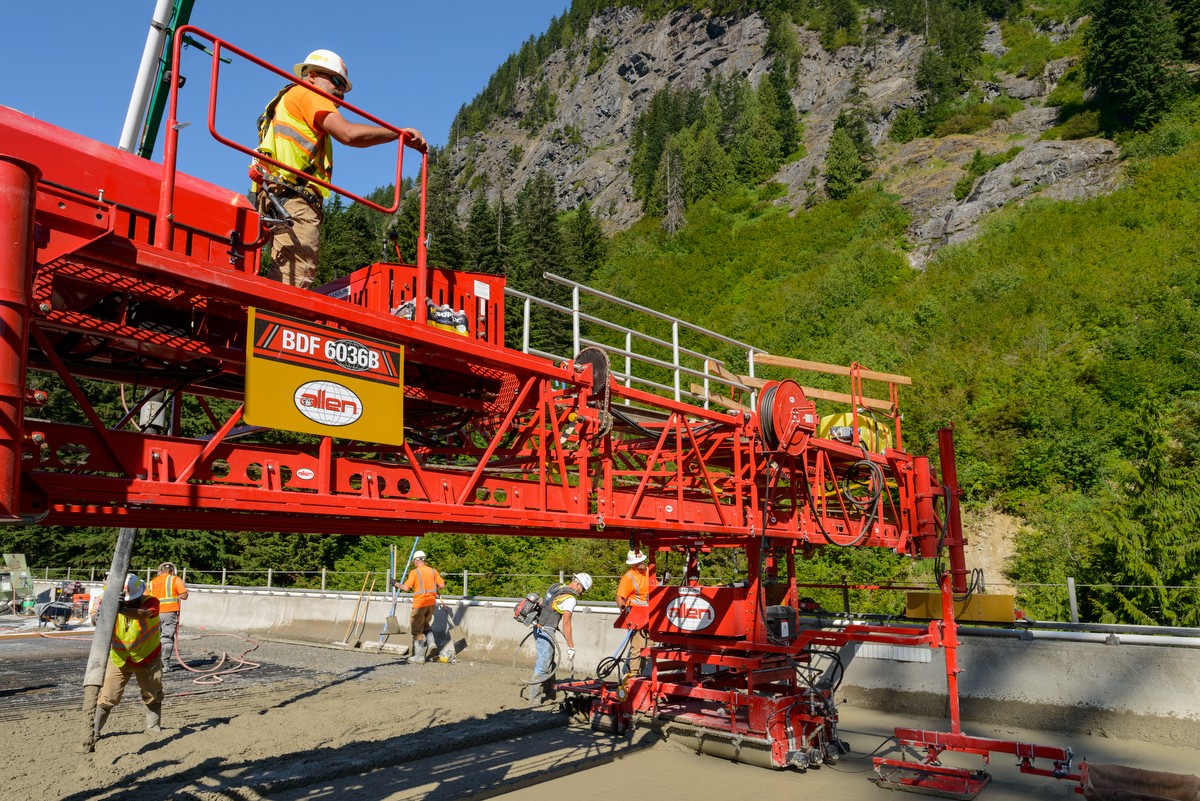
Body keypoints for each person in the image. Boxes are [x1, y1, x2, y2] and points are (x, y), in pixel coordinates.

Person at [252, 49, 427, 289]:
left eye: (344, 86)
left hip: (276, 194)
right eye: (335, 81)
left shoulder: (287, 100)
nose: (340, 92)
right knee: (295, 278)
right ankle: (271, 323)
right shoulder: (309, 94)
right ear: (312, 75)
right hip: (293, 196)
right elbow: (349, 133)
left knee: (286, 271)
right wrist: (398, 134)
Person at [93, 574, 164, 742]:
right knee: (107, 696)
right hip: (120, 658)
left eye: (132, 600)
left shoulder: (151, 602)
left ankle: (154, 729)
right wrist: (98, 616)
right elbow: (94, 617)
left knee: (152, 693)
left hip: (148, 657)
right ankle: (94, 731)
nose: (129, 602)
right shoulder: (107, 599)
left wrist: (122, 609)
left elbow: (144, 614)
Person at [528, 572, 592, 705]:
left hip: (539, 627)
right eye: (583, 590)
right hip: (546, 630)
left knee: (550, 663)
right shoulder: (570, 599)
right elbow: (566, 623)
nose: (581, 593)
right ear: (578, 585)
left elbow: (546, 604)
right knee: (543, 664)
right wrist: (571, 646)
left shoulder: (556, 587)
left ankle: (550, 693)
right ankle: (534, 699)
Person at [393, 550, 444, 663]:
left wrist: (395, 584)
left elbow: (406, 588)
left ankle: (419, 657)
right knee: (425, 624)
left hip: (419, 605)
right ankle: (431, 643)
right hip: (431, 604)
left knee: (417, 630)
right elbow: (442, 585)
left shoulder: (414, 572)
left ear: (416, 561)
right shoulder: (433, 571)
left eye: (414, 562)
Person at [148, 562, 189, 671]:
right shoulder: (175, 579)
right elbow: (184, 596)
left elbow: (145, 598)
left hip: (153, 614)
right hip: (169, 613)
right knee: (166, 638)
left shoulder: (151, 583)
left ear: (160, 572)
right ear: (172, 572)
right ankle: (164, 664)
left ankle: (153, 664)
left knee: (153, 639)